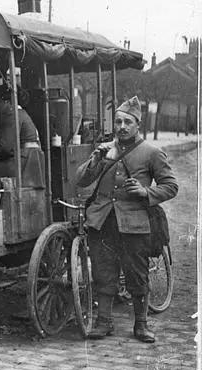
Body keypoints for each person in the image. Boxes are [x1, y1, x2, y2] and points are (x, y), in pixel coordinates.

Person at [76, 96, 178, 343]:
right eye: (118, 121)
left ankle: (141, 325)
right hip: (103, 220)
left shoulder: (151, 152)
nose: (122, 127)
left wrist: (146, 192)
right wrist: (95, 160)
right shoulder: (105, 149)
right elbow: (81, 180)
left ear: (137, 125)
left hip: (134, 223)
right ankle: (104, 322)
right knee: (103, 271)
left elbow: (171, 186)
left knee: (137, 274)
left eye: (127, 122)